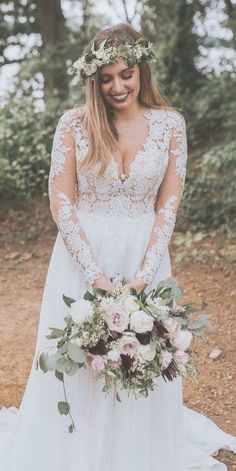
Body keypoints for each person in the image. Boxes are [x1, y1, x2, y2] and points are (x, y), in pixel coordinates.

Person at [0, 23, 235, 471]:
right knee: (82, 356)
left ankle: (133, 451)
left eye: (125, 74)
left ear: (141, 70)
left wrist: (147, 272)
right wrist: (94, 275)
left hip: (144, 251)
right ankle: (76, 448)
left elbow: (168, 203)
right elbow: (61, 200)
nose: (117, 86)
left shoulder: (170, 125)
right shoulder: (74, 123)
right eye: (105, 78)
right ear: (93, 80)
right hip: (81, 255)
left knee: (139, 354)